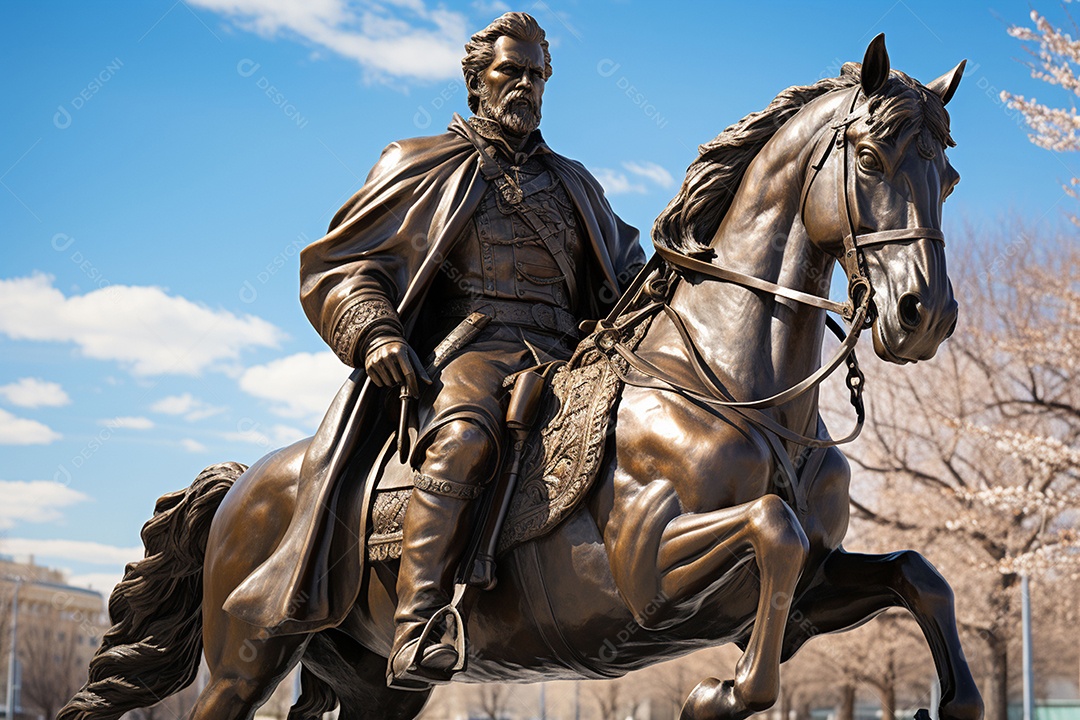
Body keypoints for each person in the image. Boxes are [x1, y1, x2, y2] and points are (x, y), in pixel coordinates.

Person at [227, 11, 644, 690]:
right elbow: (343, 265)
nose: (527, 85)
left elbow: (629, 275)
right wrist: (375, 332)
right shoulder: (419, 163)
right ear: (478, 81)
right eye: (512, 71)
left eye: (538, 75)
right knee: (464, 439)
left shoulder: (576, 184)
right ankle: (419, 623)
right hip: (474, 347)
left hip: (573, 355)